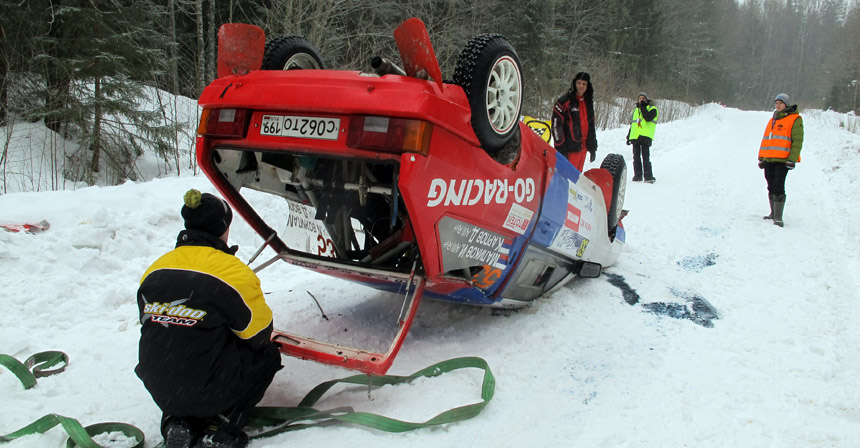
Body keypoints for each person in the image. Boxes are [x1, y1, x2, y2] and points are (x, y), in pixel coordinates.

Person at [135, 189, 282, 448]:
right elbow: (259, 335)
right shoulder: (232, 273)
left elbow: (157, 329)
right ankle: (224, 426)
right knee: (268, 355)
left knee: (183, 344)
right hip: (209, 389)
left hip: (158, 385)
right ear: (223, 228)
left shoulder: (156, 269)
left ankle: (175, 420)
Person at [758, 93, 803, 227]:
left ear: (786, 104)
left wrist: (792, 159)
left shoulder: (795, 119)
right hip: (769, 159)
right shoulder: (773, 119)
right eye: (776, 103)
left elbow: (797, 141)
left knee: (778, 185)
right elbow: (767, 140)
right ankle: (773, 212)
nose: (778, 105)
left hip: (783, 160)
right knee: (770, 184)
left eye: (780, 103)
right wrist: (762, 158)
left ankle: (778, 217)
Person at [551, 71, 597, 172]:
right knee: (565, 178)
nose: (581, 86)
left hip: (583, 148)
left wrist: (593, 147)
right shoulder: (564, 102)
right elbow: (556, 126)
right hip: (570, 148)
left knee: (576, 180)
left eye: (584, 84)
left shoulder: (588, 102)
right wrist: (561, 149)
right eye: (579, 83)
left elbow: (591, 125)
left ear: (587, 86)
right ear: (574, 83)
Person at [625, 92, 659, 183]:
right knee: (636, 157)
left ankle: (648, 176)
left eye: (643, 98)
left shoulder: (652, 109)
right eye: (640, 98)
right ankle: (637, 176)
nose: (641, 99)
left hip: (645, 136)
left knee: (645, 156)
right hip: (635, 136)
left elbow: (647, 118)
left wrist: (643, 107)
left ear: (646, 99)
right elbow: (633, 124)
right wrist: (629, 136)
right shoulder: (636, 111)